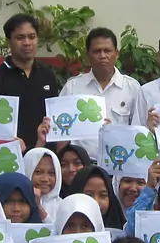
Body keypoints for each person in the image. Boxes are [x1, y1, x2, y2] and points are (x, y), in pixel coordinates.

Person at [59, 27, 142, 163]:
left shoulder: (132, 88)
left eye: (107, 51)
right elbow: (61, 132)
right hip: (81, 166)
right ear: (88, 55)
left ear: (116, 54)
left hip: (119, 164)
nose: (102, 56)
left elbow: (138, 130)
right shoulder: (73, 87)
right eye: (97, 51)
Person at [0, 13, 60, 151]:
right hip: (10, 155)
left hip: (45, 156)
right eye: (20, 37)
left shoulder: (47, 75)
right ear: (8, 42)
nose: (27, 43)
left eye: (32, 37)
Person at [66, 165, 126, 230]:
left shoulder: (122, 231)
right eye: (88, 195)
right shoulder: (64, 230)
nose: (96, 202)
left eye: (103, 195)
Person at [23, 148, 62, 219]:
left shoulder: (63, 206)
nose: (45, 179)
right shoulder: (17, 205)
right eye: (38, 172)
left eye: (51, 173)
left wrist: (39, 208)